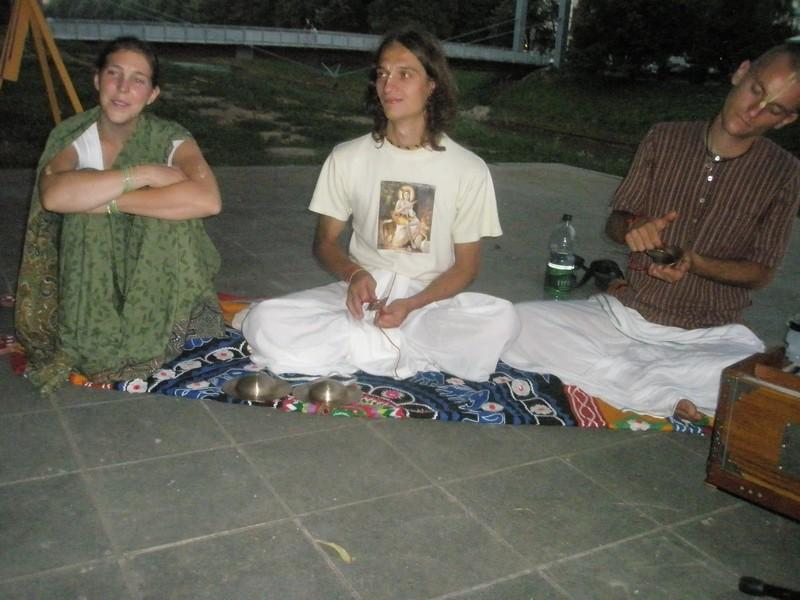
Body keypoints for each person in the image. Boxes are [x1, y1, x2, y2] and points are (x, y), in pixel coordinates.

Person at [502, 43, 800, 421]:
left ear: (786, 120)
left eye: (773, 109)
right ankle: (654, 387)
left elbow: (761, 272)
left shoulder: (785, 173)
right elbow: (615, 224)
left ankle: (641, 383)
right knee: (515, 321)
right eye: (756, 90)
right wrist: (634, 226)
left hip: (709, 337)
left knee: (748, 381)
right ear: (740, 73)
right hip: (627, 318)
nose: (754, 111)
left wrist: (694, 262)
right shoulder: (664, 138)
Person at [236, 26, 518, 381]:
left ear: (432, 84)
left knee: (502, 320)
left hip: (428, 303)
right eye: (382, 74)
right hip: (362, 295)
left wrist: (412, 304)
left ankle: (369, 344)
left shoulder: (469, 169)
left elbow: (466, 267)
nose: (388, 85)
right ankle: (396, 348)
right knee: (264, 319)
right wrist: (355, 275)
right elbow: (324, 243)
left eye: (405, 74)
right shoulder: (347, 157)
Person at [15, 36, 224, 394]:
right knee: (83, 213)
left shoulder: (169, 137)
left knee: (161, 213)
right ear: (98, 80)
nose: (123, 88)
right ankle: (97, 328)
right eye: (114, 74)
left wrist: (114, 202)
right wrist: (143, 174)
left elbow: (208, 200)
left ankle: (158, 325)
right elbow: (53, 195)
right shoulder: (73, 136)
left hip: (153, 263)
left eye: (138, 79)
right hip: (91, 269)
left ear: (152, 94)